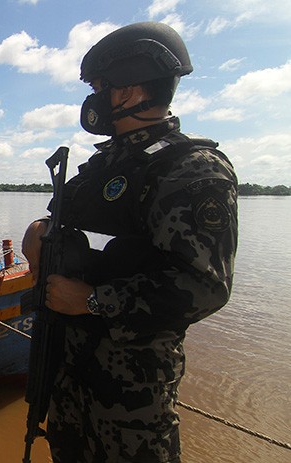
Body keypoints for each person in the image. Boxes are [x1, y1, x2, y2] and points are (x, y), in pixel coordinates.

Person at [21, 22, 237, 462]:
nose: (94, 99)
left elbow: (204, 287)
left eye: (101, 86)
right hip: (68, 378)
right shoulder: (102, 167)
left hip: (130, 395)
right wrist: (40, 234)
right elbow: (77, 235)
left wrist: (95, 301)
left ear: (130, 91)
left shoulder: (192, 170)